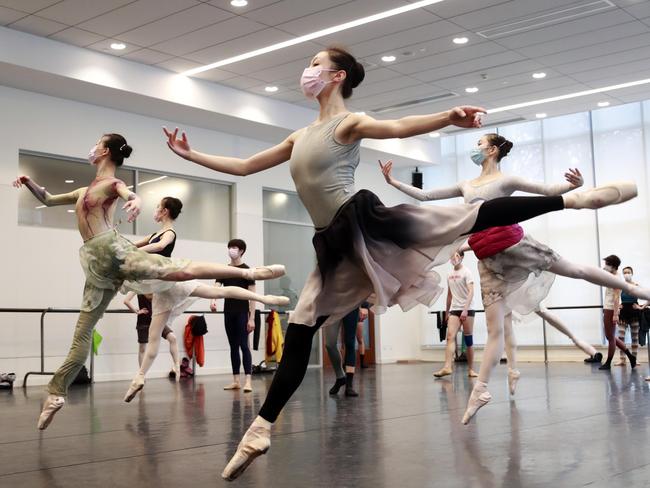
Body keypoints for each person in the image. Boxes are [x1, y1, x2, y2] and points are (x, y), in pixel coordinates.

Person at [163, 46, 636, 480]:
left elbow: (398, 127)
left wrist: (447, 117)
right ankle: (261, 429)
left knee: (462, 217)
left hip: (361, 219)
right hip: (330, 242)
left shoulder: (345, 124)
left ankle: (571, 201)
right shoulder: (299, 134)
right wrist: (190, 155)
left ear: (336, 75)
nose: (305, 71)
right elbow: (246, 166)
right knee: (302, 327)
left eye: (314, 63)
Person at [13, 133, 286, 430]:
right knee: (83, 329)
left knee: (180, 270)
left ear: (104, 151)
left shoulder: (112, 185)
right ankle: (56, 393)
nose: (92, 147)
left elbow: (129, 195)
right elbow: (49, 199)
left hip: (113, 252)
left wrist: (135, 201)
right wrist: (28, 182)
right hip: (97, 265)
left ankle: (249, 273)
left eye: (97, 143)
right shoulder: (83, 190)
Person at [380, 133, 644, 423]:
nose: (474, 148)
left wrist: (573, 185)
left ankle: (633, 288)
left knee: (575, 270)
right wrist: (393, 183)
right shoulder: (465, 185)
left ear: (492, 150)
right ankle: (480, 390)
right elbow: (426, 195)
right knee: (496, 331)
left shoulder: (505, 181)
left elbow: (547, 189)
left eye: (479, 144)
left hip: (515, 245)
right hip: (489, 261)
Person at [123, 196, 185, 377]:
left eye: (158, 206)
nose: (155, 209)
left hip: (162, 277)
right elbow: (132, 245)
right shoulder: (153, 234)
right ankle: (142, 375)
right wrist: (115, 241)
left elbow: (160, 246)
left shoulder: (169, 233)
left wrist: (138, 252)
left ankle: (175, 366)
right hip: (151, 279)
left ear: (165, 211)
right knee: (153, 337)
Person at [211, 239, 256, 393]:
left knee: (244, 345)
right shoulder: (225, 270)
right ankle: (236, 380)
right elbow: (216, 286)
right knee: (233, 347)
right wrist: (213, 300)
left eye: (234, 247)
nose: (231, 250)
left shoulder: (247, 271)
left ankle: (248, 381)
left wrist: (251, 318)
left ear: (241, 251)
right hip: (228, 312)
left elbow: (253, 296)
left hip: (243, 312)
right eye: (230, 247)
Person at [433, 251, 478, 378]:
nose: (454, 258)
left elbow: (471, 292)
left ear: (462, 257)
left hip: (467, 309)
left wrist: (465, 309)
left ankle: (471, 369)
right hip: (454, 309)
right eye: (452, 256)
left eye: (457, 255)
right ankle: (447, 367)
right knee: (450, 337)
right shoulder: (449, 274)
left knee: (468, 340)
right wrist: (447, 311)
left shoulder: (467, 272)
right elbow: (449, 294)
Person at [599, 255, 637, 370]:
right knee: (609, 336)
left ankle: (608, 362)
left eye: (607, 264)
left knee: (610, 337)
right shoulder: (612, 276)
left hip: (611, 309)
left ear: (613, 266)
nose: (605, 266)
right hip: (608, 308)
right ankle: (630, 356)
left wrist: (615, 314)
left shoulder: (616, 279)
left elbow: (616, 298)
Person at [325, 307, 362, 397]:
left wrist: (364, 306)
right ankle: (340, 377)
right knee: (330, 344)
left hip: (351, 305)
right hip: (333, 306)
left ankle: (349, 385)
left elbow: (363, 292)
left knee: (350, 343)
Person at [616, 266, 643, 366]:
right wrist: (618, 306)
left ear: (632, 273)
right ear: (623, 274)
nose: (627, 274)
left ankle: (634, 359)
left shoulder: (636, 285)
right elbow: (616, 297)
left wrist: (640, 307)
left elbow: (644, 295)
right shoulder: (621, 286)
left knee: (634, 337)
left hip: (634, 312)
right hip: (623, 313)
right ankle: (622, 359)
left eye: (628, 272)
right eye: (625, 272)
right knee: (621, 337)